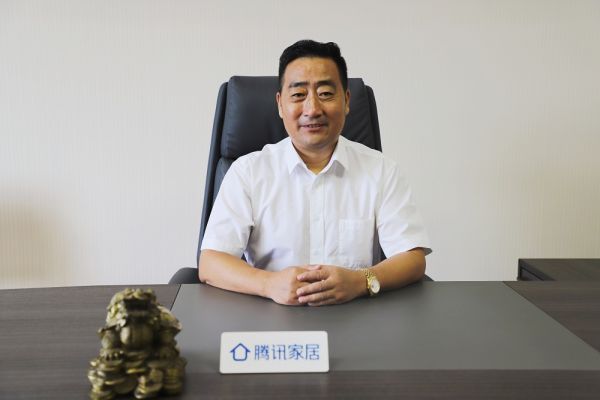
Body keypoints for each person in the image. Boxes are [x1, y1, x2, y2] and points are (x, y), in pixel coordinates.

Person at [199, 39, 431, 306]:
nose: (312, 109)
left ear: (346, 101)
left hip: (356, 315)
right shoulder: (248, 172)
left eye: (325, 93)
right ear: (280, 104)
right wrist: (268, 284)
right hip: (270, 316)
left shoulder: (381, 170)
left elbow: (412, 258)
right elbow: (211, 263)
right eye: (299, 95)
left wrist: (360, 281)